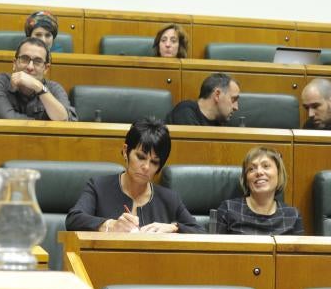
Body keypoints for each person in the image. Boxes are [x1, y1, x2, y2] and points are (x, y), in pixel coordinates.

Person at [66, 118, 203, 233]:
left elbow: (199, 231)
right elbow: (73, 219)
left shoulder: (169, 199)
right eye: (141, 157)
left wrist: (173, 228)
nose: (146, 167)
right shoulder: (99, 187)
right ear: (126, 151)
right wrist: (110, 225)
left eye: (154, 162)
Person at [0, 36, 77, 121]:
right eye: (24, 59)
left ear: (46, 68)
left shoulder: (55, 89)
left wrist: (39, 87)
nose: (30, 67)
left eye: (37, 61)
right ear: (14, 63)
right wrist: (47, 124)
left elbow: (64, 120)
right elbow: (9, 120)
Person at [216, 146, 303, 235]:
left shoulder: (292, 215)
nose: (259, 172)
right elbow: (214, 248)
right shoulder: (228, 209)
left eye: (266, 166)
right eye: (251, 169)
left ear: (279, 173)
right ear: (246, 179)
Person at [166, 72, 240, 126]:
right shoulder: (184, 112)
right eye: (233, 99)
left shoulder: (220, 122)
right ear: (217, 95)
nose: (236, 107)